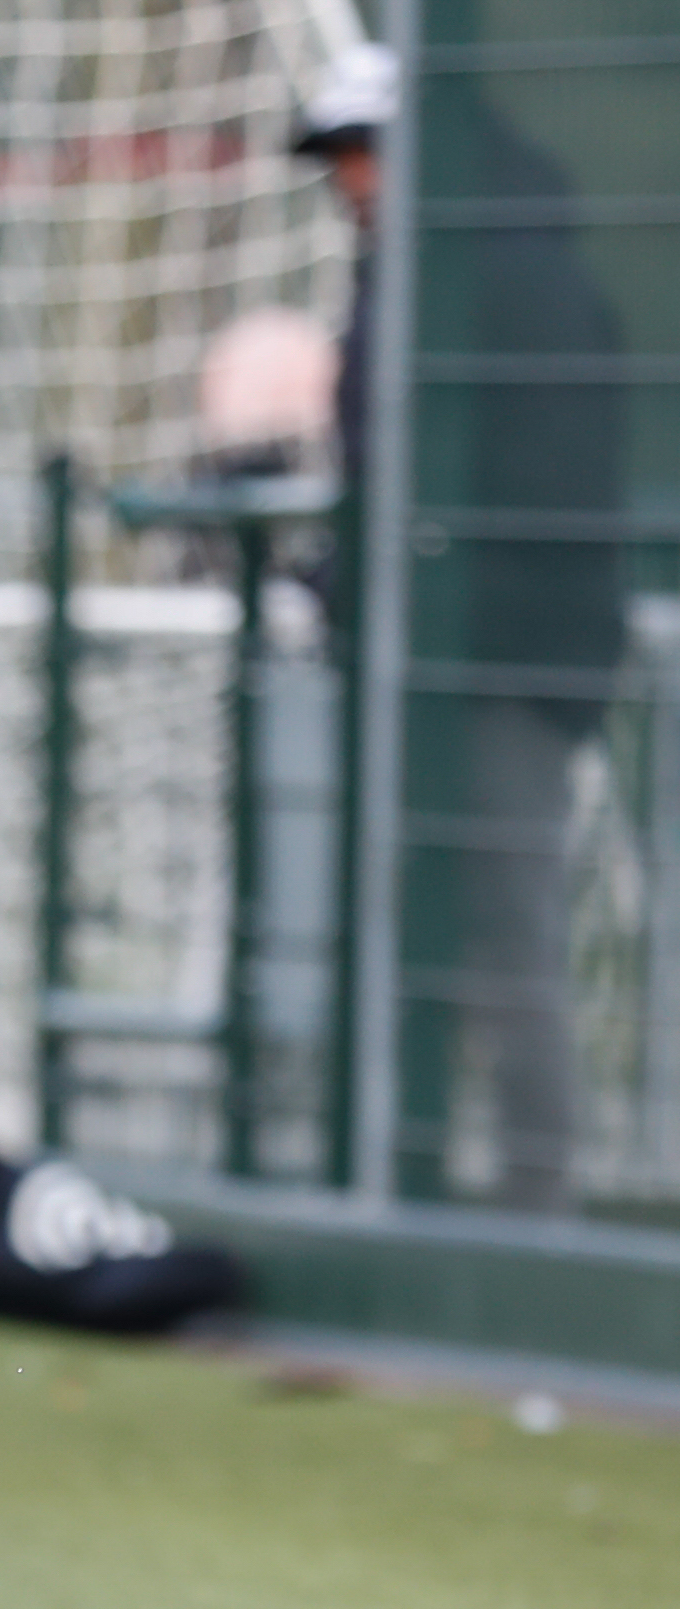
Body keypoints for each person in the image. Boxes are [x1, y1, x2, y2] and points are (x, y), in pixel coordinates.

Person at [297, 43, 625, 1208]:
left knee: (501, 931)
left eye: (366, 152)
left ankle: (537, 1198)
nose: (349, 180)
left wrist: (396, 585)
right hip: (437, 664)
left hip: (499, 671)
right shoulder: (416, 269)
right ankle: (413, 1178)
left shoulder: (509, 274)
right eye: (339, 157)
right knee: (424, 929)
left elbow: (528, 489)